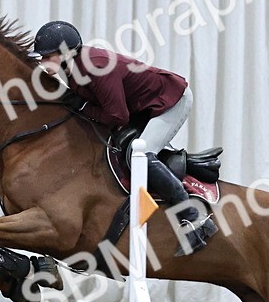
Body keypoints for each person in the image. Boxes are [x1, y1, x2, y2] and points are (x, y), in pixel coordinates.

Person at [29, 21, 215, 254]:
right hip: (142, 105)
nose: (42, 61)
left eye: (47, 56)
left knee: (140, 155)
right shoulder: (72, 71)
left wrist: (84, 107)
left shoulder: (96, 66)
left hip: (170, 100)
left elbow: (117, 116)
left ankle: (194, 217)